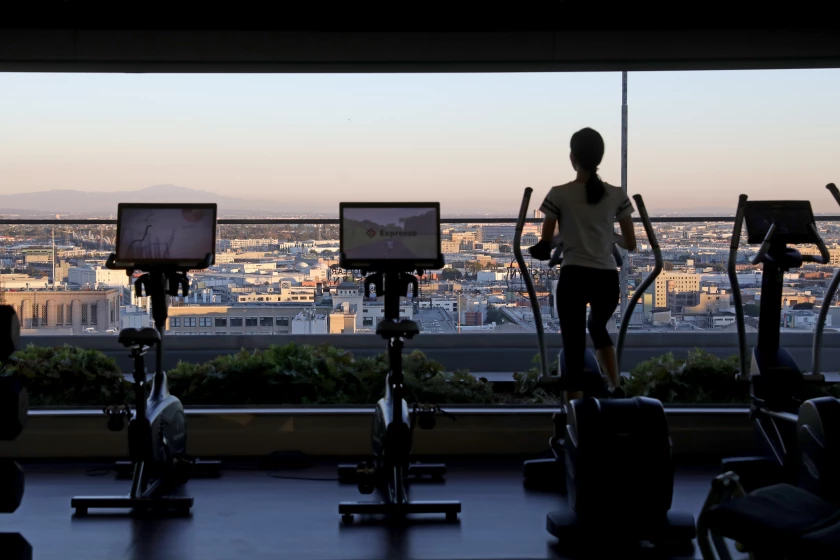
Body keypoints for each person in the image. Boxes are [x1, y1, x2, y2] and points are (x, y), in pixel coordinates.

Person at [529, 127, 636, 402]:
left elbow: (546, 243)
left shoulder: (558, 194)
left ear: (572, 157)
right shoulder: (617, 194)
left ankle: (574, 418)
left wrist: (563, 236)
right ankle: (614, 384)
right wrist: (605, 233)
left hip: (574, 276)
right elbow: (630, 243)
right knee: (598, 327)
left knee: (574, 347)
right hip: (606, 280)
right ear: (599, 158)